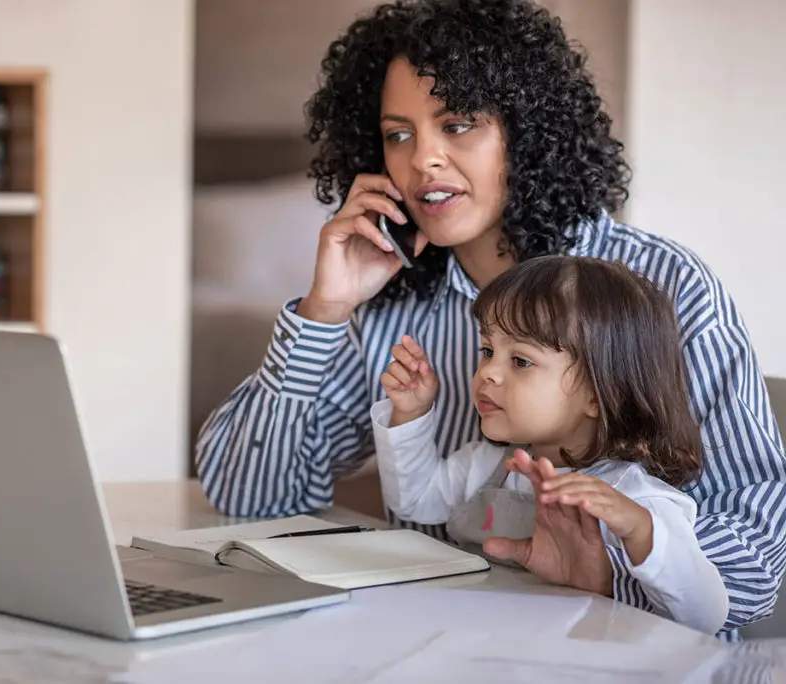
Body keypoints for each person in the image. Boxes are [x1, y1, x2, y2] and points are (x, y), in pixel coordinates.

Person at [194, 0, 786, 640]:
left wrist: (605, 580)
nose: (423, 161)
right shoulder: (395, 300)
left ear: (526, 132)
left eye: (457, 124)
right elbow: (250, 499)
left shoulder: (665, 287)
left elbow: (755, 555)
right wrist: (324, 310)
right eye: (399, 134)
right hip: (436, 644)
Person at [374, 255, 729, 634]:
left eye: (522, 361)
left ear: (600, 394)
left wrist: (642, 531)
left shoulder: (633, 500)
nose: (488, 372)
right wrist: (410, 414)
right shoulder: (489, 466)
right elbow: (413, 499)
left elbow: (706, 617)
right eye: (488, 351)